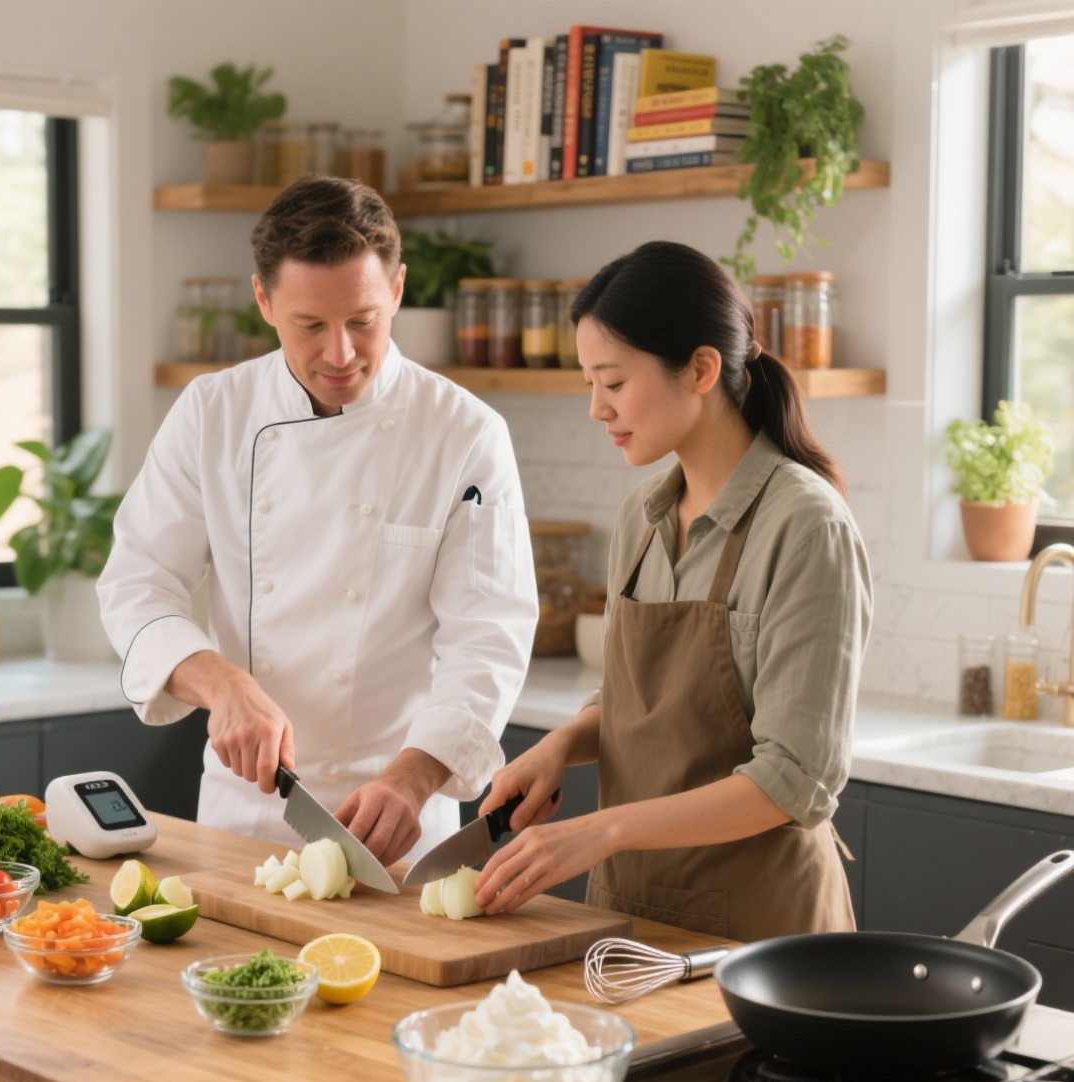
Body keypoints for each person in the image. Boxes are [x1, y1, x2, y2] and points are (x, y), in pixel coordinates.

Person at [98, 176, 538, 865]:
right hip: (243, 817)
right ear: (264, 301)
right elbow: (135, 583)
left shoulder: (463, 433)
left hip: (399, 821)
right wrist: (222, 683)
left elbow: (489, 634)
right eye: (310, 326)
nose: (340, 354)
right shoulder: (213, 413)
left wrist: (415, 775)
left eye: (363, 320)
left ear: (396, 291)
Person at [472, 241, 872, 942]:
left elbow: (794, 779)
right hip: (628, 915)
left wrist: (602, 830)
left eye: (614, 382)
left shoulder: (806, 527)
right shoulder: (644, 515)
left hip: (757, 937)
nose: (597, 409)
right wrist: (561, 745)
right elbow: (637, 704)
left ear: (701, 369)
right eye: (589, 384)